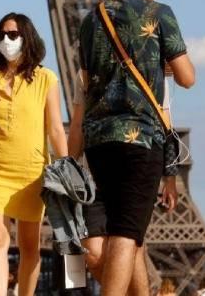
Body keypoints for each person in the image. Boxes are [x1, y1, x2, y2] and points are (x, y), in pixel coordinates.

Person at [78, 0, 195, 295]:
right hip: (140, 140)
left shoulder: (91, 19)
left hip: (99, 142)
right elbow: (187, 77)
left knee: (132, 233)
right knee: (127, 233)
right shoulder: (159, 13)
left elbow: (86, 84)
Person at [0, 12, 68, 296]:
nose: (6, 41)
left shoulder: (46, 79)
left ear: (27, 38)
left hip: (31, 173)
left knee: (30, 246)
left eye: (13, 35)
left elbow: (56, 128)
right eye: (2, 35)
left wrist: (67, 167)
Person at [67, 69, 179, 284]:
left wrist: (171, 176)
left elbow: (166, 125)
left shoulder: (150, 69)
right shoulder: (85, 73)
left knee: (130, 246)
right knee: (93, 253)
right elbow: (77, 125)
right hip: (94, 174)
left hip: (134, 170)